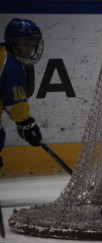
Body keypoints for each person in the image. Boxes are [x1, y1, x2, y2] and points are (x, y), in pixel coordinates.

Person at [0, 18, 44, 169]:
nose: (30, 49)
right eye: (25, 43)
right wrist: (25, 123)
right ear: (13, 42)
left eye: (33, 44)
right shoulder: (11, 66)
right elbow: (15, 104)